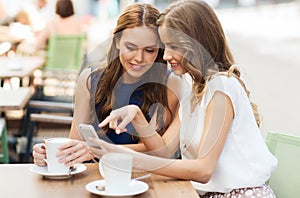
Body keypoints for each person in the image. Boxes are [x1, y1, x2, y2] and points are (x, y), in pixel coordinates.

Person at [84, 0, 278, 197]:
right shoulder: (195, 93)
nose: (166, 55)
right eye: (165, 46)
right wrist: (136, 116)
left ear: (198, 43)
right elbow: (163, 153)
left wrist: (121, 155)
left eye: (173, 46)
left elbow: (203, 170)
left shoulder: (222, 87)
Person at [32, 3, 180, 166]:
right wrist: (49, 155)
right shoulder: (90, 79)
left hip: (147, 175)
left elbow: (159, 151)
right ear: (117, 41)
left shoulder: (169, 83)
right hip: (96, 176)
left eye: (150, 50)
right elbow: (75, 142)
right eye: (130, 47)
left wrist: (95, 149)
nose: (139, 58)